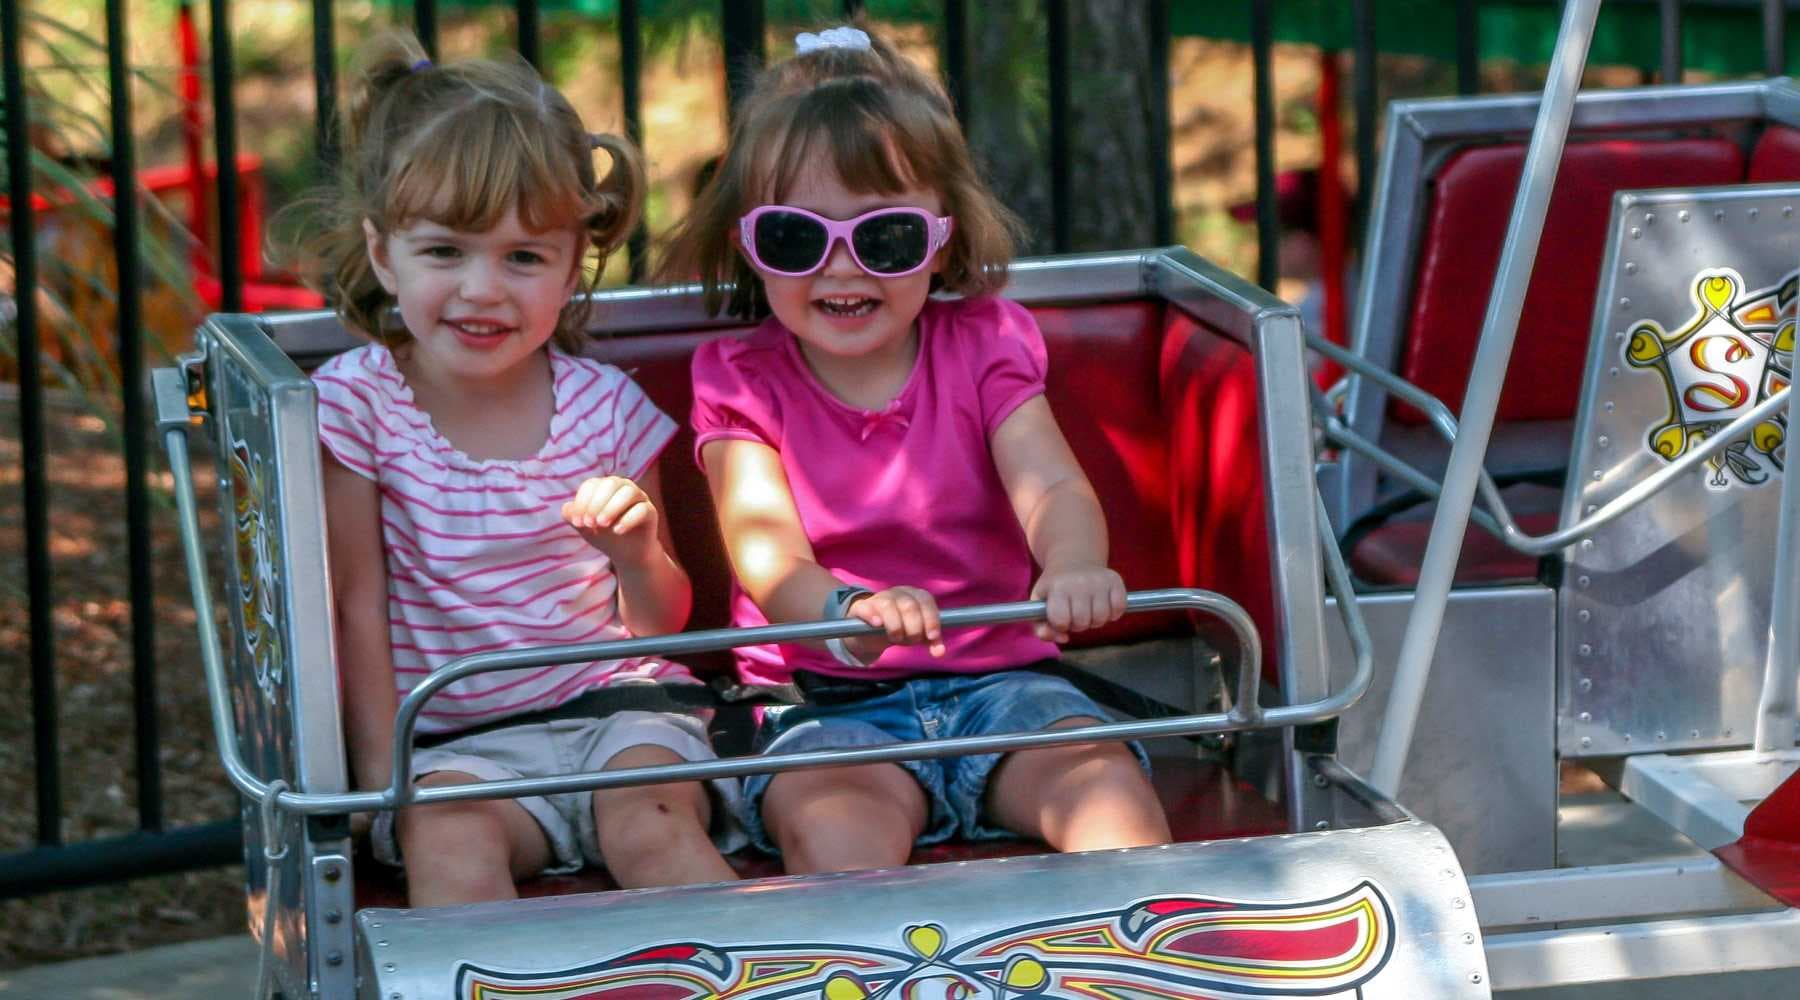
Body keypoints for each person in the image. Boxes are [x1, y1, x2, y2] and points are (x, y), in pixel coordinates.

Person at [659, 24, 1172, 874]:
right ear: (751, 243)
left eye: (883, 238)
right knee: (838, 840)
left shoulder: (984, 345)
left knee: (1112, 806)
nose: (841, 270)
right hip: (825, 701)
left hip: (1002, 685)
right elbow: (764, 548)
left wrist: (1074, 564)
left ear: (941, 236)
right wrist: (840, 611)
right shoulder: (741, 378)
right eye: (796, 238)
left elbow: (1049, 483)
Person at [283, 32, 739, 906]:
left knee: (653, 831)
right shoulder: (359, 406)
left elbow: (662, 627)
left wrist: (637, 553)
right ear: (385, 255)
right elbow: (355, 601)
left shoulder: (604, 406)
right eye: (447, 252)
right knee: (449, 852)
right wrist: (385, 783)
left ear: (573, 265)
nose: (483, 290)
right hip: (456, 742)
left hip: (619, 717)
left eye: (524, 257)